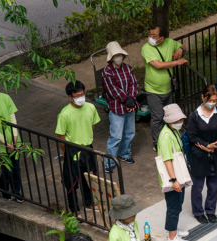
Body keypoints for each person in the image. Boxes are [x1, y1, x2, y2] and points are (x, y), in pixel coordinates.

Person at [187, 84, 217, 224]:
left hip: (215, 154)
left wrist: (214, 146)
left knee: (213, 186)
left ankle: (210, 211)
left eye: (215, 101)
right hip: (198, 157)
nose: (212, 103)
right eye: (210, 100)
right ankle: (198, 212)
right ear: (203, 97)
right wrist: (206, 146)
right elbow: (192, 136)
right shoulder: (194, 116)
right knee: (197, 187)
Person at [56, 80, 100, 214]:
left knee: (88, 177)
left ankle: (88, 202)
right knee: (72, 180)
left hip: (87, 147)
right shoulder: (64, 114)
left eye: (82, 94)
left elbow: (92, 125)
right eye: (77, 95)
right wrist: (65, 151)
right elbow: (60, 136)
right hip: (72, 150)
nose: (81, 97)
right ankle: (74, 208)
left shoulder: (91, 107)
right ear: (70, 97)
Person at [141, 25, 186, 150]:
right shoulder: (146, 48)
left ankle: (170, 138)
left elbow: (182, 46)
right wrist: (177, 62)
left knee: (169, 115)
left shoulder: (169, 43)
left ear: (162, 38)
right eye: (149, 34)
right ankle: (157, 143)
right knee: (157, 117)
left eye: (154, 35)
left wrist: (180, 51)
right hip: (152, 90)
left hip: (168, 89)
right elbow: (158, 65)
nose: (150, 38)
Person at [101, 41, 139, 172]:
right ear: (111, 57)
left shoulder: (128, 68)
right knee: (116, 136)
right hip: (117, 108)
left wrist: (132, 99)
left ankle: (124, 154)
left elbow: (134, 84)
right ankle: (109, 162)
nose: (119, 57)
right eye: (116, 55)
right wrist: (126, 99)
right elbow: (112, 89)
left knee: (130, 132)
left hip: (130, 106)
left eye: (120, 54)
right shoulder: (107, 72)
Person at [158, 103, 191, 241]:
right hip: (174, 177)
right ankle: (172, 237)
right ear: (168, 121)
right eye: (176, 121)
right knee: (174, 207)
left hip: (177, 176)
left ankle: (172, 230)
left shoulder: (172, 131)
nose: (179, 123)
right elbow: (167, 160)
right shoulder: (166, 136)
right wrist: (174, 180)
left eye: (180, 120)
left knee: (176, 204)